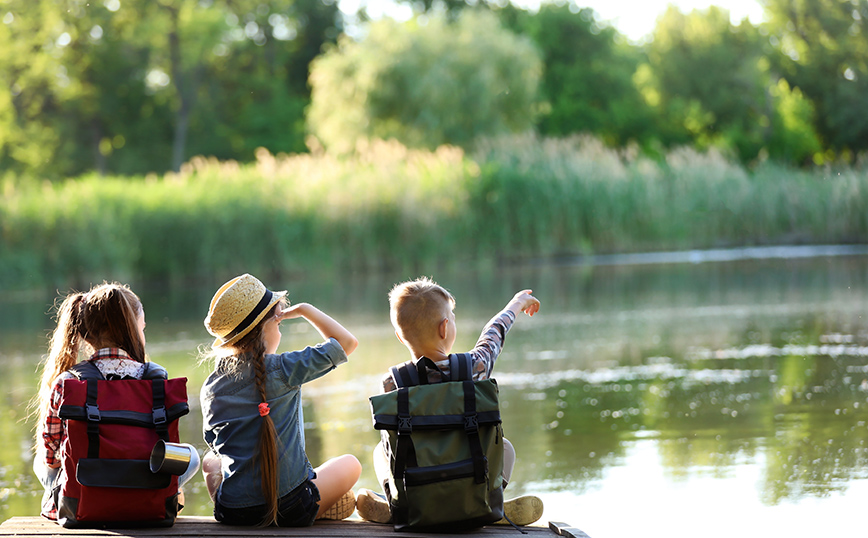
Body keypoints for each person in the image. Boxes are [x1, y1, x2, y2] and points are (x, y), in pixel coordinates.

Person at [356, 277, 545, 526]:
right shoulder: (474, 368)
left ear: (401, 338)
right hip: (470, 483)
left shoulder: (392, 382)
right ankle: (488, 501)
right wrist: (516, 303)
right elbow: (494, 334)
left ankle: (397, 506)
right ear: (445, 328)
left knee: (381, 451)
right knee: (505, 447)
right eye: (453, 318)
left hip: (418, 493)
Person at [199, 274, 362, 527]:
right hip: (292, 506)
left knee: (210, 461)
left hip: (233, 512)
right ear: (266, 327)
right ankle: (318, 507)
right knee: (351, 464)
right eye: (278, 323)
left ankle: (265, 508)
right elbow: (347, 343)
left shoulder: (211, 385)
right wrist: (306, 310)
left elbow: (214, 443)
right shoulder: (284, 368)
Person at [32, 282, 200, 520]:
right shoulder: (157, 380)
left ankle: (57, 502)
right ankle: (163, 496)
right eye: (142, 328)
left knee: (41, 461)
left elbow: (52, 453)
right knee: (191, 455)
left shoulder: (68, 382)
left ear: (88, 334)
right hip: (147, 486)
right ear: (132, 330)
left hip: (85, 496)